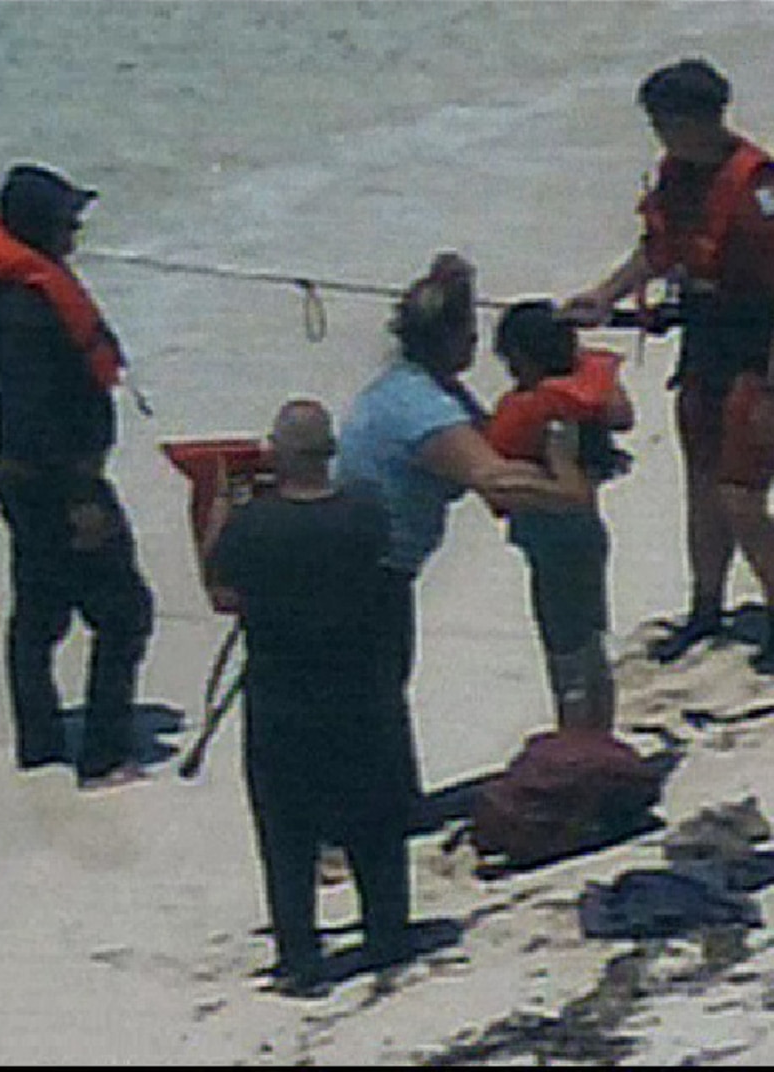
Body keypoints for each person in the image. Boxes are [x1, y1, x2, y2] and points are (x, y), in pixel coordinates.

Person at [559, 57, 774, 675]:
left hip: (761, 356)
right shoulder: (678, 177)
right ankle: (706, 609)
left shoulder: (762, 195)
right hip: (705, 348)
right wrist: (604, 297)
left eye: (662, 122)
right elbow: (657, 252)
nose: (657, 134)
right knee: (702, 485)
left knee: (740, 496)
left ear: (695, 120)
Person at [334, 253, 595, 800]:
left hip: (372, 560)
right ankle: (347, 830)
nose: (477, 346)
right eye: (469, 333)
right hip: (363, 568)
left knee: (381, 688)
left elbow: (492, 439)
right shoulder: (424, 409)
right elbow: (494, 479)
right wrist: (566, 492)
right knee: (369, 695)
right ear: (447, 338)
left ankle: (397, 805)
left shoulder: (415, 384)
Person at [203, 398, 412, 997]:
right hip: (361, 690)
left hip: (282, 696)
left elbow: (221, 593)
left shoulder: (253, 527)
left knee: (286, 830)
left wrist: (221, 505)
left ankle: (300, 952)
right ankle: (386, 929)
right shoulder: (366, 515)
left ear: (276, 454)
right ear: (330, 453)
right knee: (374, 819)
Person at [0, 162, 155, 789]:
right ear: (42, 227)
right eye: (68, 218)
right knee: (124, 612)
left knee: (40, 612)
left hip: (21, 478)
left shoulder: (2, 290)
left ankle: (40, 746)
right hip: (57, 485)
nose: (76, 228)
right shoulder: (25, 309)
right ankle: (101, 757)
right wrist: (79, 498)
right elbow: (32, 411)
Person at [484, 299, 637, 731]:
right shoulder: (578, 397)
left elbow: (565, 479)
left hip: (558, 543)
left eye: (511, 359)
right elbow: (619, 412)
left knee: (565, 651)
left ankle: (577, 742)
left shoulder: (551, 415)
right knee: (590, 645)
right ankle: (597, 737)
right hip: (587, 537)